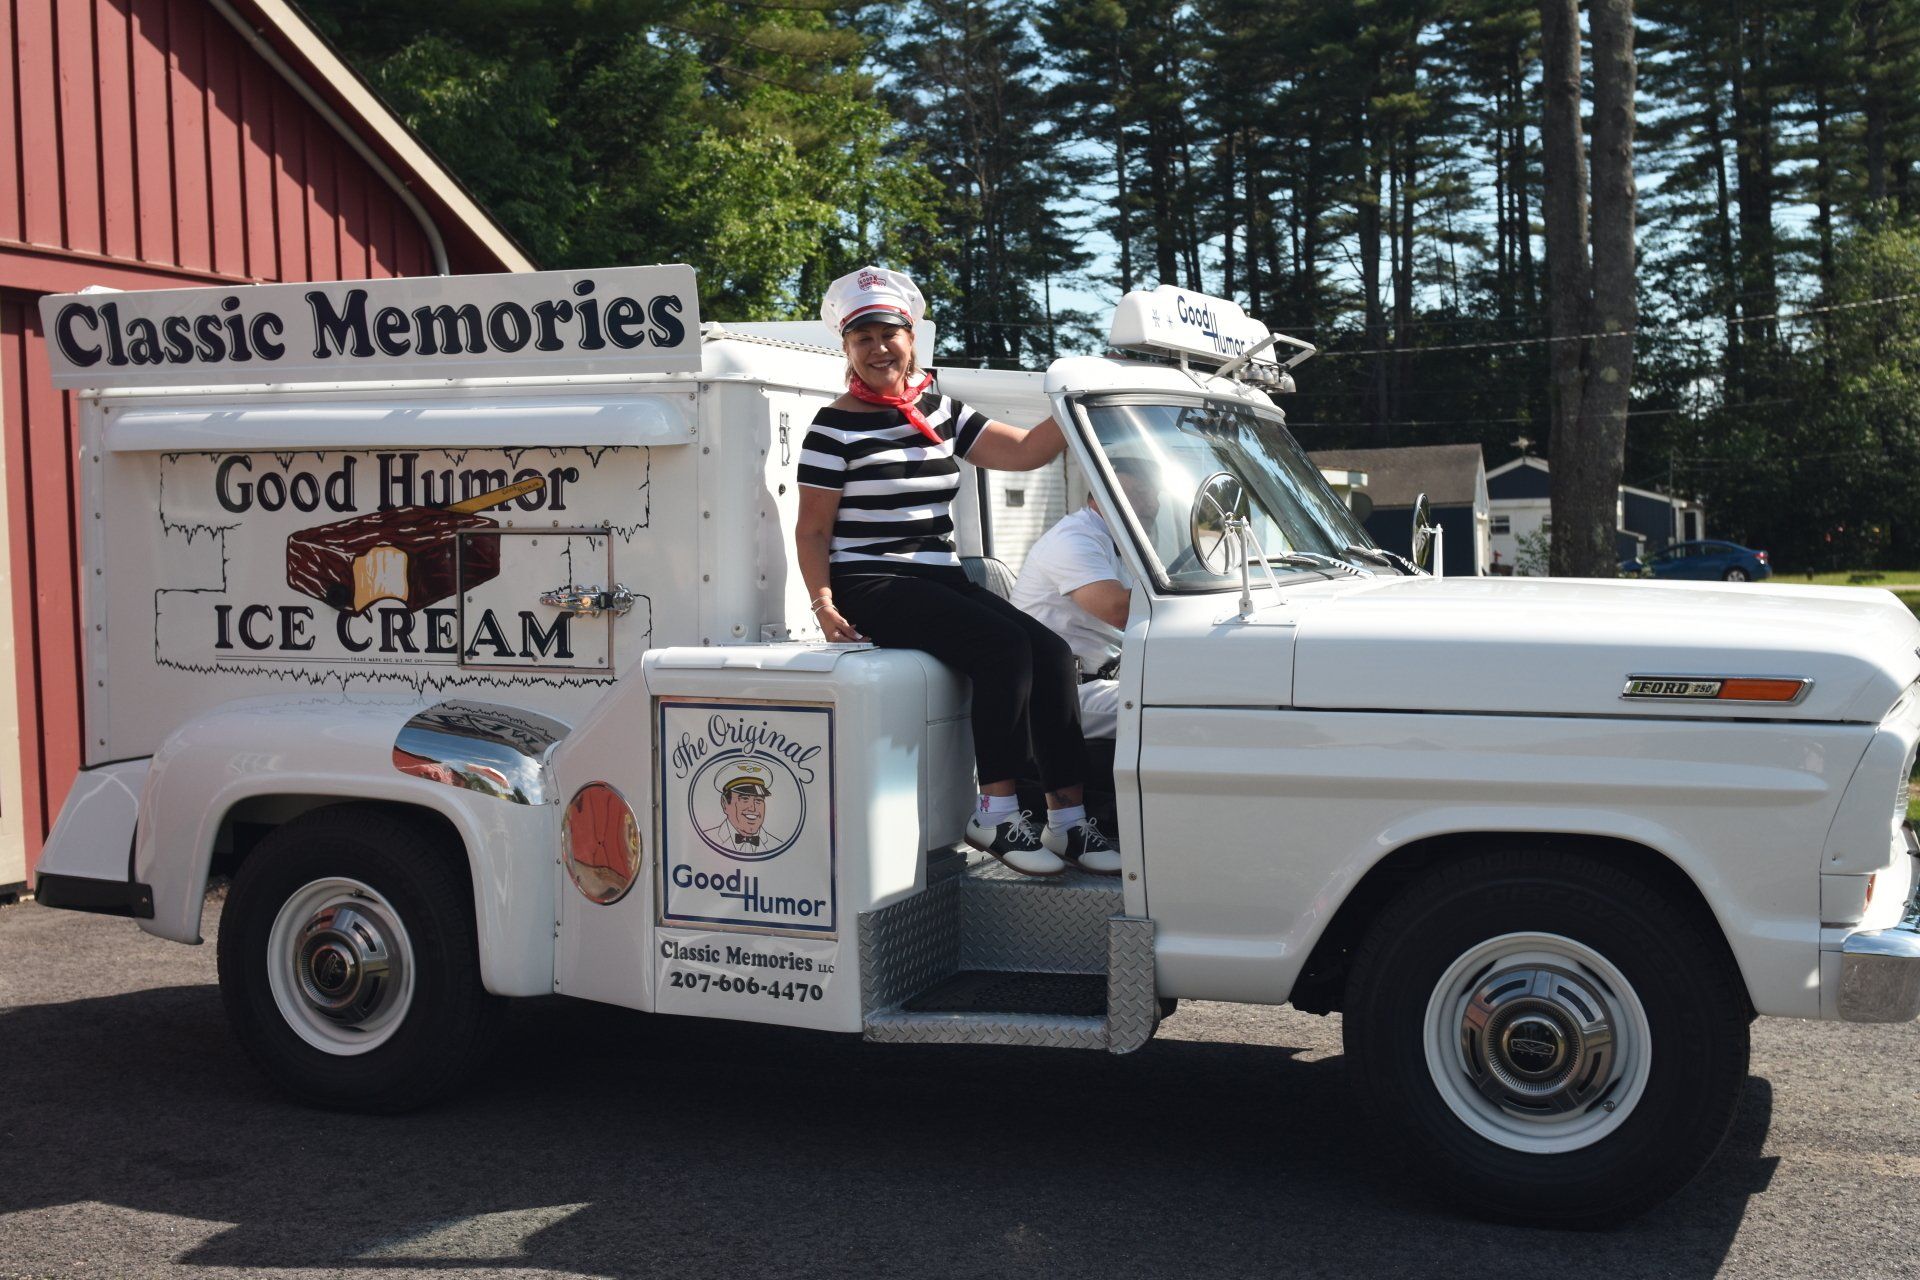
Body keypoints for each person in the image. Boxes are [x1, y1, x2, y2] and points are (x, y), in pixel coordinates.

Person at [794, 266, 1120, 878]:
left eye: (887, 333)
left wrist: (1082, 400)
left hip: (938, 576)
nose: (877, 348)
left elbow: (1024, 452)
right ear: (846, 349)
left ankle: (1069, 823)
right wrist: (823, 603)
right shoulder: (832, 428)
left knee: (1051, 654)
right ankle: (995, 811)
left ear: (910, 336)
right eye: (861, 338)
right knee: (1002, 647)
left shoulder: (939, 408)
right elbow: (811, 531)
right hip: (873, 580)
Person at [1009, 457, 1161, 741]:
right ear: (1102, 495)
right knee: (1178, 714)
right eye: (1140, 493)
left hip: (1107, 680)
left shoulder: (1124, 542)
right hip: (1065, 691)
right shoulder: (1074, 540)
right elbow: (1119, 610)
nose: (1152, 504)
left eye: (1155, 494)